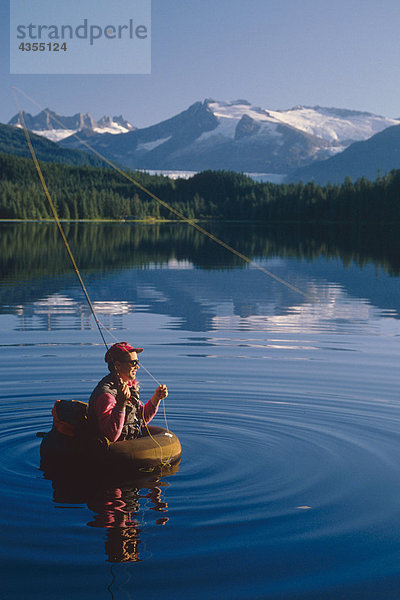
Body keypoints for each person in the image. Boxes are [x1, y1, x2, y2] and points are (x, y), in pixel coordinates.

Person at [88, 341, 168, 442]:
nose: (137, 367)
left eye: (138, 363)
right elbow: (111, 436)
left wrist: (156, 398)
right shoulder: (106, 396)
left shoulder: (129, 386)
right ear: (118, 365)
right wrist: (121, 403)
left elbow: (140, 420)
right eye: (133, 363)